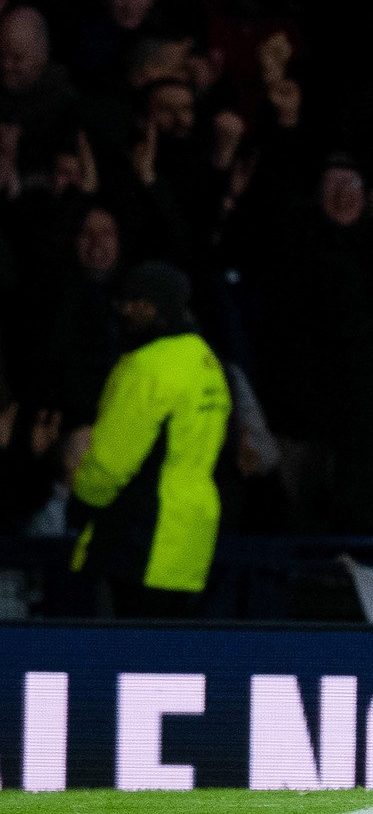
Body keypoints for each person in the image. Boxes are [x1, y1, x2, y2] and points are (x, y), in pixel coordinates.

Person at [68, 261, 232, 618]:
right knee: (168, 663)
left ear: (154, 306)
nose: (125, 311)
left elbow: (111, 463)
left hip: (135, 537)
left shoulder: (145, 367)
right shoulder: (207, 362)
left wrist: (79, 500)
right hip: (190, 537)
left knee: (116, 661)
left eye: (132, 301)